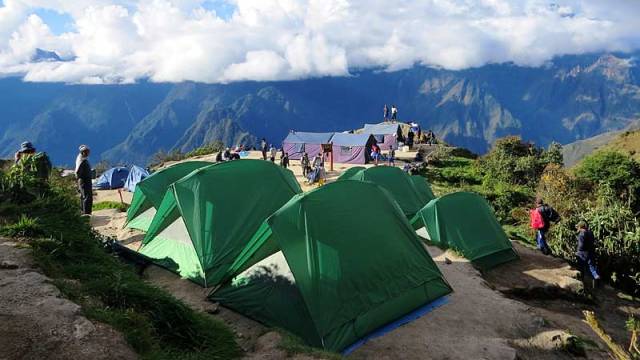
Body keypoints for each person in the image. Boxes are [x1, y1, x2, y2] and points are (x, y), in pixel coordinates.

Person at [75, 145, 93, 216]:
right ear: (82, 152)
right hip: (84, 181)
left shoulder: (82, 159)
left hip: (85, 180)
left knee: (84, 196)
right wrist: (83, 179)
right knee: (87, 196)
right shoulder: (81, 161)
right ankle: (86, 213)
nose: (88, 153)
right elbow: (78, 173)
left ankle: (84, 211)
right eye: (86, 152)